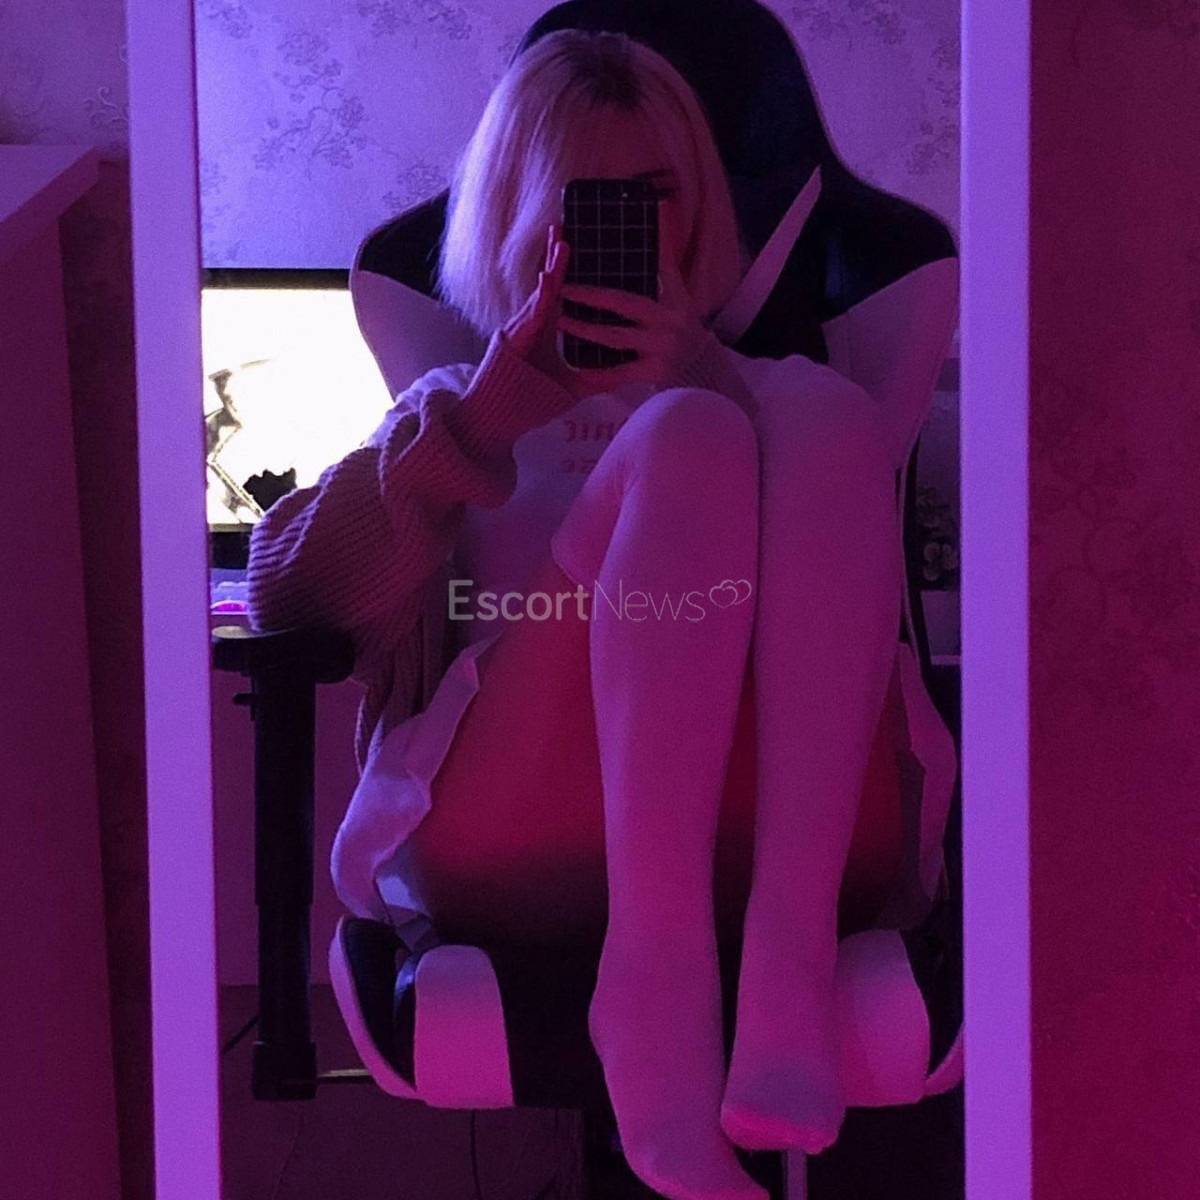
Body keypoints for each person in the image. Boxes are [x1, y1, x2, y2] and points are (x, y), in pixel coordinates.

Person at [247, 29, 904, 1200]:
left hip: (781, 834)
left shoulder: (791, 411)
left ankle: (784, 962)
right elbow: (289, 595)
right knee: (689, 439)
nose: (616, 232)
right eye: (578, 204)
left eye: (650, 197)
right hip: (512, 831)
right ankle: (655, 991)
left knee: (817, 417)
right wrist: (494, 412)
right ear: (515, 215)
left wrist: (711, 381)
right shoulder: (455, 409)